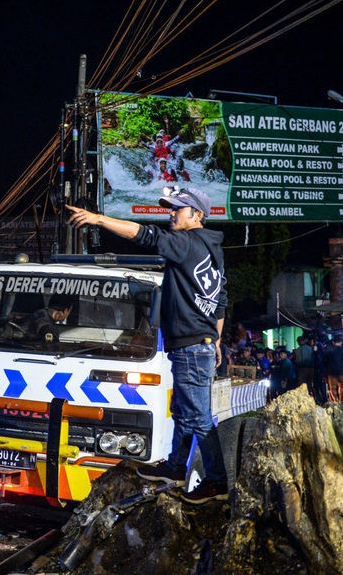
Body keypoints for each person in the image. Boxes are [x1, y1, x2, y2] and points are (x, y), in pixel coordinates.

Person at [67, 186, 229, 505]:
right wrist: (217, 337)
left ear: (197, 215)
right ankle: (175, 467)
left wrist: (99, 219)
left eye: (177, 209)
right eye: (171, 208)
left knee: (197, 416)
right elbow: (221, 299)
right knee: (184, 411)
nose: (171, 213)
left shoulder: (187, 243)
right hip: (199, 342)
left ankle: (217, 481)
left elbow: (146, 236)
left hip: (192, 345)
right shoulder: (212, 249)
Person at [322, 335, 343, 403]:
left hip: (331, 372)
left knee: (333, 388)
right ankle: (341, 401)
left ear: (333, 342)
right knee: (342, 387)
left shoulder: (329, 349)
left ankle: (335, 401)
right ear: (341, 342)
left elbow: (324, 360)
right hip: (342, 371)